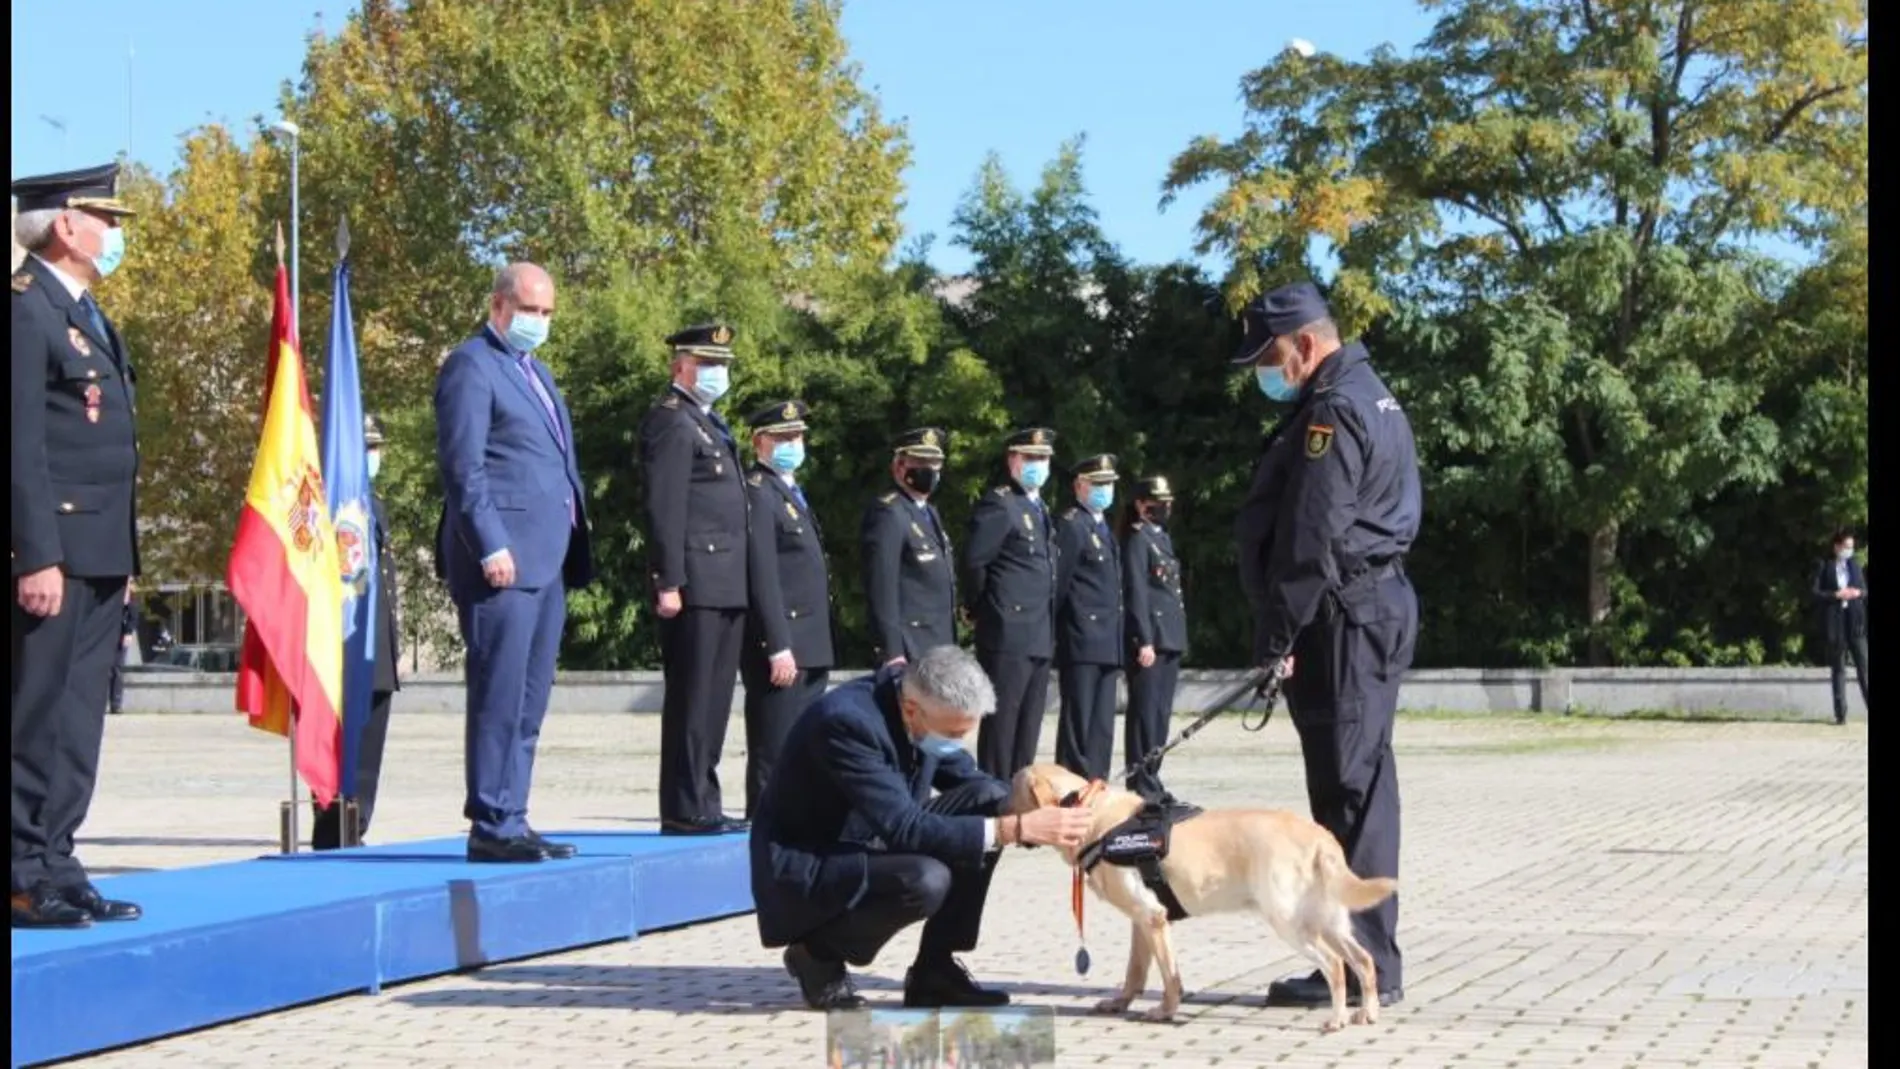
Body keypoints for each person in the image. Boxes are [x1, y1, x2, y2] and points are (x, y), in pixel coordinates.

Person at [1233, 280, 1420, 1009]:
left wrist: (1276, 636)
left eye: (1270, 357)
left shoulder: (1335, 410)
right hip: (1365, 606)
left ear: (1306, 345)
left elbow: (1313, 536)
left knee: (1349, 791)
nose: (1266, 373)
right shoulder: (1372, 394)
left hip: (1347, 612)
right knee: (1359, 783)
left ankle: (1365, 959)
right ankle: (1367, 954)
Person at [749, 644, 1096, 1011]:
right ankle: (816, 955)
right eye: (953, 732)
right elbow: (903, 827)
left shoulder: (917, 707)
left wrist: (1041, 808)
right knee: (925, 880)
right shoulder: (845, 723)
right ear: (912, 710)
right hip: (813, 860)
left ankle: (935, 970)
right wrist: (1015, 828)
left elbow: (973, 783)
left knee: (990, 797)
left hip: (877, 835)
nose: (958, 742)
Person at [11, 162, 145, 928]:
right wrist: (36, 553)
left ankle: (58, 860)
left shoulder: (85, 312)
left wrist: (123, 558)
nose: (115, 233)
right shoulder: (26, 312)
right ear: (67, 224)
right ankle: (21, 869)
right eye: (108, 218)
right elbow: (22, 443)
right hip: (53, 552)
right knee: (37, 711)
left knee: (79, 717)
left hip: (101, 553)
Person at [434, 263, 594, 864]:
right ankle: (490, 821)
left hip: (547, 557)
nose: (541, 323)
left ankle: (514, 813)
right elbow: (463, 466)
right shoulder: (472, 365)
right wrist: (491, 542)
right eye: (532, 311)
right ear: (500, 306)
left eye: (549, 313)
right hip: (501, 559)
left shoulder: (535, 372)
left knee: (530, 694)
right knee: (499, 689)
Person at [639, 322, 751, 835]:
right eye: (707, 364)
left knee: (715, 698)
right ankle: (684, 805)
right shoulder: (672, 421)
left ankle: (704, 798)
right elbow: (666, 507)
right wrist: (668, 579)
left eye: (722, 364)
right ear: (680, 365)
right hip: (696, 580)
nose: (716, 373)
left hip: (726, 579)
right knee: (692, 696)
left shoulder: (710, 421)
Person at [739, 399, 834, 821]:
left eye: (798, 437)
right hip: (786, 643)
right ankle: (765, 827)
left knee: (804, 747)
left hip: (811, 642)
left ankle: (796, 824)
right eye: (784, 438)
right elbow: (762, 573)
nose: (794, 444)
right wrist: (777, 643)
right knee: (774, 747)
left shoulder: (790, 492)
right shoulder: (759, 492)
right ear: (761, 442)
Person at [314, 414, 403, 849]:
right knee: (336, 743)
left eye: (376, 448)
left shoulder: (374, 503)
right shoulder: (324, 503)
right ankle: (332, 829)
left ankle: (357, 825)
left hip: (376, 646)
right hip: (340, 643)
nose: (373, 457)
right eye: (365, 449)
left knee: (370, 746)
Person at [963, 428, 1060, 780]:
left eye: (1043, 459)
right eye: (1030, 458)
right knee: (1002, 726)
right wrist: (980, 608)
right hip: (1008, 631)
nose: (1038, 465)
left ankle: (1020, 796)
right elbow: (976, 562)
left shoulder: (1037, 507)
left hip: (1038, 632)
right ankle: (994, 797)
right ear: (1013, 460)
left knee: (1028, 725)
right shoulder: (1000, 503)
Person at [1053, 454, 1124, 780]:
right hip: (1081, 637)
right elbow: (1060, 584)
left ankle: (1097, 781)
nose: (1104, 490)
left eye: (1109, 484)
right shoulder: (1072, 524)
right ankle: (1073, 784)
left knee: (1101, 725)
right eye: (1098, 484)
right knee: (1079, 722)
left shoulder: (1101, 526)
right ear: (1079, 486)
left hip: (1108, 640)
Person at [861, 427, 957, 668]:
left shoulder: (928, 512)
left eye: (935, 463)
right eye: (921, 462)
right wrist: (891, 649)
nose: (930, 470)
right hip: (910, 644)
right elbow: (882, 585)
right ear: (899, 467)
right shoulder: (889, 512)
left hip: (938, 641)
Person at [1120, 475, 1188, 804]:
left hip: (1169, 636)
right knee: (1145, 714)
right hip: (1152, 639)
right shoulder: (1137, 539)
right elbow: (1137, 592)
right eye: (1157, 502)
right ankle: (1140, 779)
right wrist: (1143, 639)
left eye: (1167, 501)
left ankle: (1153, 775)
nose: (1165, 507)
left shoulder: (1161, 538)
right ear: (1141, 505)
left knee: (1160, 714)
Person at [1812, 528, 1868, 726]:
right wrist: (1835, 595)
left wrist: (1857, 593)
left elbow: (1864, 590)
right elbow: (1816, 592)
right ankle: (1840, 713)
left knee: (1864, 666)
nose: (1849, 551)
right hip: (1835, 621)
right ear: (1836, 547)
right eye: (1846, 547)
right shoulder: (1825, 566)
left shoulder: (1855, 566)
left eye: (1851, 547)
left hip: (1855, 621)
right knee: (1839, 668)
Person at [108, 580, 137, 715]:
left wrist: (128, 633)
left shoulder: (131, 601)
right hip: (108, 634)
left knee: (117, 669)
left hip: (121, 636)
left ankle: (116, 703)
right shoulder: (112, 598)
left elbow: (133, 617)